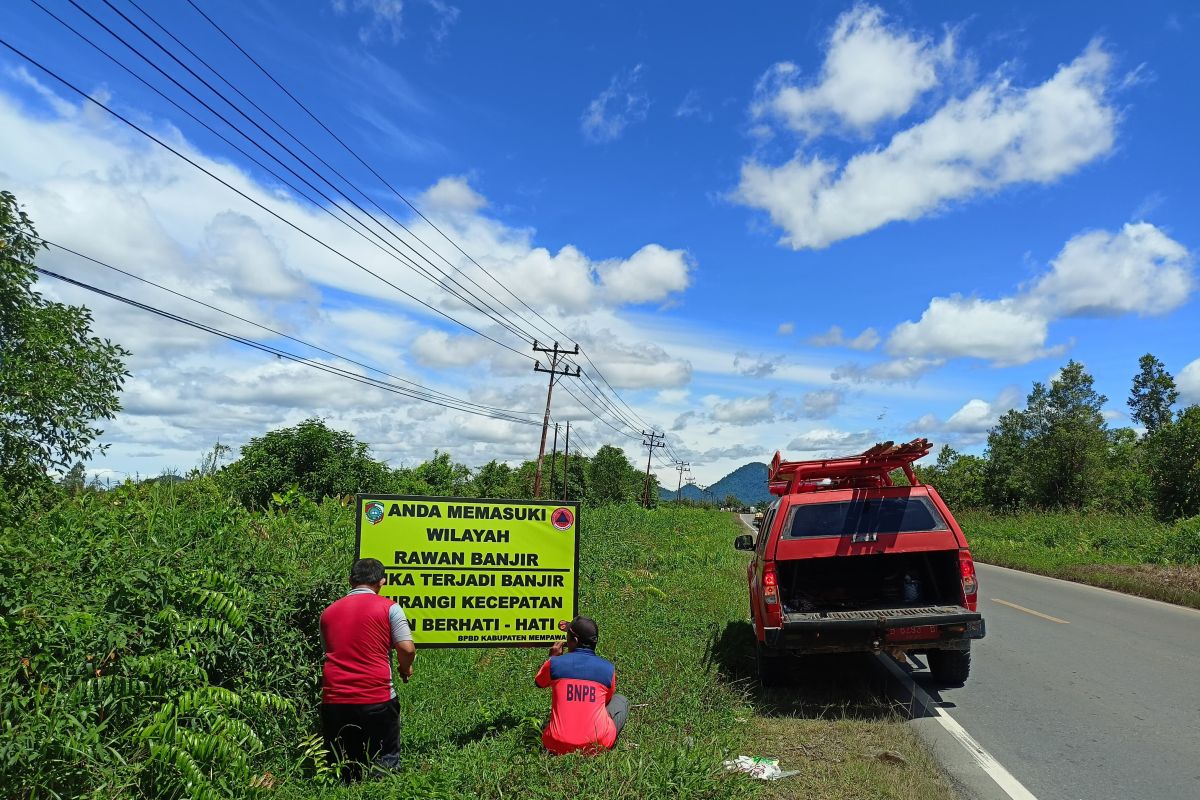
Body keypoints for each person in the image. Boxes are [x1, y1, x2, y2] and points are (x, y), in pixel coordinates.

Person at [319, 558, 415, 781]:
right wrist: (405, 667)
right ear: (382, 582)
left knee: (344, 766)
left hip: (334, 700)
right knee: (385, 762)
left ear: (350, 580)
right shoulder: (390, 608)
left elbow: (330, 650)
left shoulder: (327, 613)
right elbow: (407, 648)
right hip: (377, 698)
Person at [534, 615, 629, 754]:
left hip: (555, 744)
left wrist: (553, 657)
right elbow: (606, 701)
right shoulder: (608, 669)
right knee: (621, 700)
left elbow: (539, 683)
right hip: (596, 745)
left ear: (575, 640)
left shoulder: (555, 664)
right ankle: (601, 736)